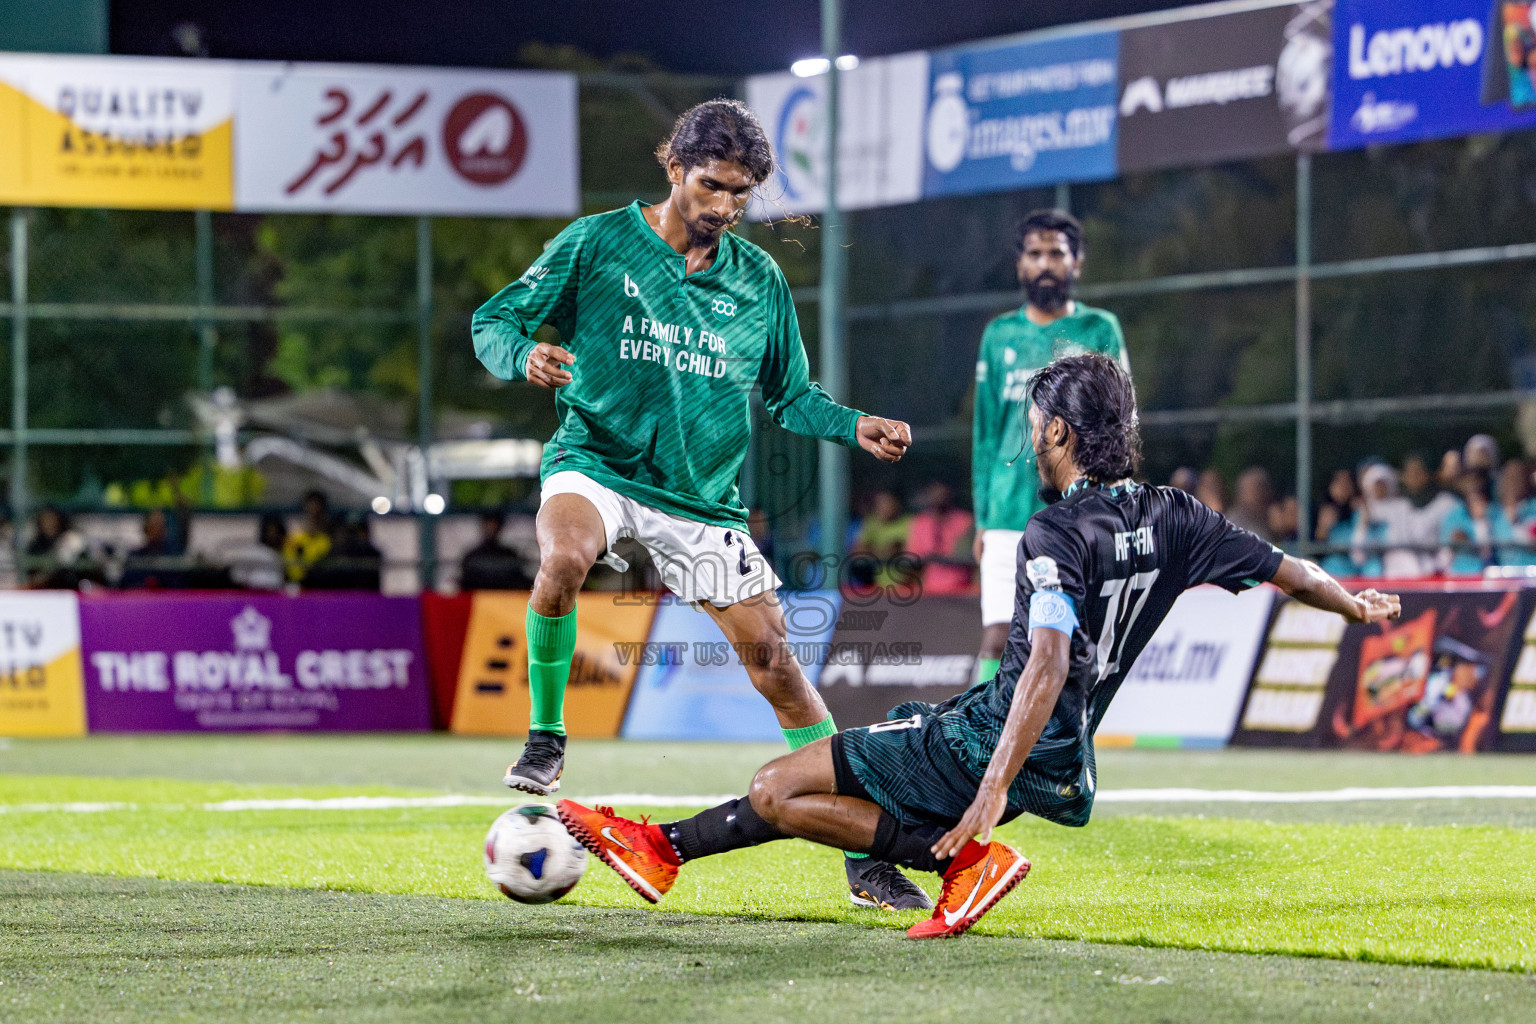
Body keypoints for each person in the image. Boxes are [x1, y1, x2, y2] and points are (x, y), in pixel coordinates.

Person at [559, 354, 1399, 939]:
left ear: (1064, 432)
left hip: (995, 741)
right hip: (1062, 751)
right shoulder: (1177, 514)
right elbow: (1290, 571)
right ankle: (667, 848)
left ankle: (955, 861)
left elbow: (1048, 661)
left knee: (778, 787)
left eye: (1038, 423)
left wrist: (990, 791)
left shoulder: (1055, 532)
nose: (1031, 436)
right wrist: (1353, 608)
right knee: (870, 742)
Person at [471, 99, 924, 910]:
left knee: (780, 672)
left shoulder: (758, 281)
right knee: (563, 558)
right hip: (597, 463)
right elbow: (492, 318)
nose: (723, 208)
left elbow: (792, 397)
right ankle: (546, 736)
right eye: (711, 186)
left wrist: (856, 426)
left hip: (701, 504)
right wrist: (524, 354)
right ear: (672, 166)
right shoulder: (597, 243)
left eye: (741, 195)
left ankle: (861, 854)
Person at [970, 209, 1129, 689]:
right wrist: (981, 516)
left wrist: (1116, 497)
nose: (1045, 264)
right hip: (1004, 511)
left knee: (1069, 641)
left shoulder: (1101, 329)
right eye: (1035, 254)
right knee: (998, 638)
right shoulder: (999, 335)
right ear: (1020, 265)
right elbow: (984, 431)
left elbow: (1121, 419)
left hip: (1075, 509)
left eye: (1056, 254)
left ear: (1076, 263)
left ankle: (1064, 751)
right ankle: (975, 741)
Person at [904, 481, 974, 596]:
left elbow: (968, 555)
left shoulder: (965, 521)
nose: (939, 497)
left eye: (942, 493)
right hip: (929, 591)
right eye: (934, 492)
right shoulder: (920, 522)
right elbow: (912, 558)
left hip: (962, 589)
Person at [850, 489, 910, 590]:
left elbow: (896, 549)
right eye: (879, 504)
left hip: (906, 586)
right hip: (877, 586)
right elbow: (858, 550)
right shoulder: (871, 523)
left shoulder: (909, 523)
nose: (883, 508)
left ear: (897, 504)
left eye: (887, 503)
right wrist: (882, 551)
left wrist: (872, 550)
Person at [460, 511, 535, 590]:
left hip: (505, 598)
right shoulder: (473, 556)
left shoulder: (509, 554)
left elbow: (519, 580)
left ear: (500, 526)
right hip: (478, 598)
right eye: (489, 524)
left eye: (494, 524)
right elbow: (465, 583)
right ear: (483, 525)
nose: (491, 528)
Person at [283, 490, 333, 584]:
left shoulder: (329, 537)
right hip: (299, 583)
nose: (314, 509)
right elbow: (289, 563)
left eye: (317, 505)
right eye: (311, 505)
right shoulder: (296, 537)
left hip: (324, 582)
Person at [1226, 467, 1276, 541]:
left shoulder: (1269, 520)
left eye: (1262, 489)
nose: (1261, 495)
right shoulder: (1233, 526)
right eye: (1254, 491)